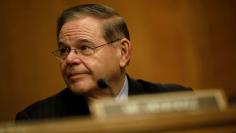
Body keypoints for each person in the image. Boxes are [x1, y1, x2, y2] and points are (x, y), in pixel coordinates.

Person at [15, 4, 190, 121]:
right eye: (64, 50)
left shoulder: (178, 102)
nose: (70, 59)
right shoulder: (36, 120)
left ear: (123, 52)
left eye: (84, 47)